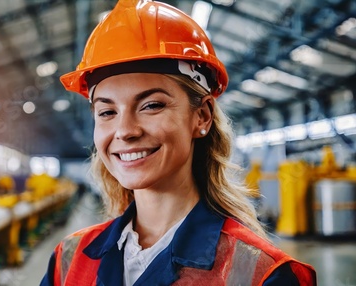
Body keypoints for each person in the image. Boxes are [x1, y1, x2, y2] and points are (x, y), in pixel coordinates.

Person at [41, 0, 316, 285]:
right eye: (107, 112)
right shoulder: (69, 260)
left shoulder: (262, 274)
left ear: (202, 117)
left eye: (151, 105)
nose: (124, 131)